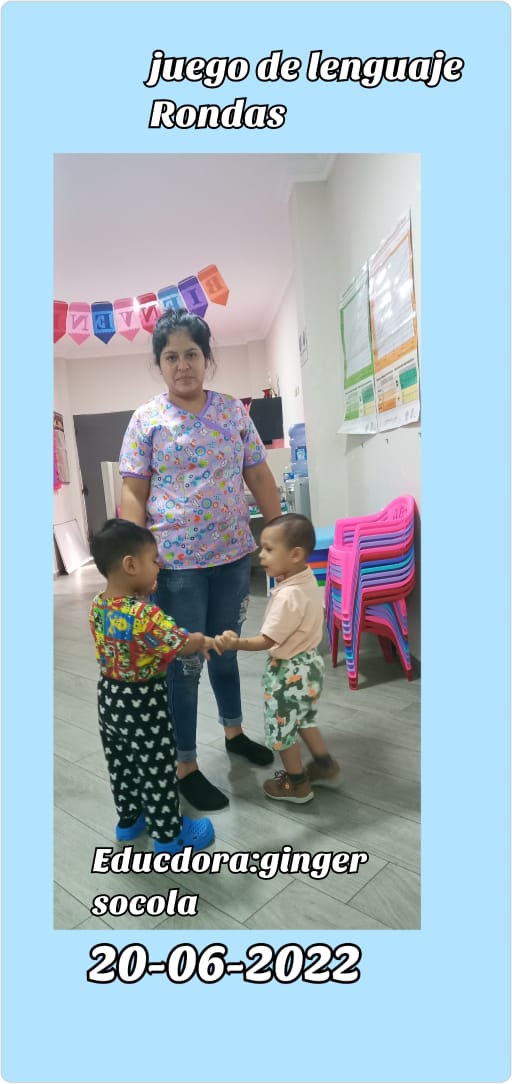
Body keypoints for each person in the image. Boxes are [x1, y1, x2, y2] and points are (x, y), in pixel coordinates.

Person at [119, 308, 282, 812]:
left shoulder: (233, 412)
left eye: (192, 354)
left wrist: (279, 531)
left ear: (207, 358)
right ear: (159, 364)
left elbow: (258, 475)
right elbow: (133, 494)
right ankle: (185, 764)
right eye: (171, 357)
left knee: (226, 650)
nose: (183, 365)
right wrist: (133, 565)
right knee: (184, 663)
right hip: (175, 567)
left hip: (233, 557)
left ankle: (234, 733)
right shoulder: (147, 420)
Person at [89, 517, 222, 854]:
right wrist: (202, 639)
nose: (158, 566)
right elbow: (181, 643)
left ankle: (130, 820)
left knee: (121, 763)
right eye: (153, 560)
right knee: (158, 767)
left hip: (109, 697)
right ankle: (169, 836)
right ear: (130, 565)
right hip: (143, 704)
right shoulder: (146, 615)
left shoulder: (98, 605)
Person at [216, 513, 340, 804]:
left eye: (269, 549)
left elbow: (267, 640)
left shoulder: (287, 597)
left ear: (295, 554)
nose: (261, 555)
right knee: (305, 719)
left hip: (288, 673)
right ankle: (325, 765)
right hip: (310, 666)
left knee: (283, 731)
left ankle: (297, 784)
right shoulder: (307, 579)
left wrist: (235, 643)